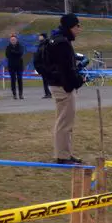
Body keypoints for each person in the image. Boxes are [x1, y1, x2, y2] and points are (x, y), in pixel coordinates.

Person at [43, 13, 84, 164]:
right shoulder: (62, 43)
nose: (79, 29)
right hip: (63, 86)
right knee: (64, 122)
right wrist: (79, 81)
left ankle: (66, 152)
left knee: (66, 121)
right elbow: (67, 70)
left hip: (60, 84)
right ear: (70, 27)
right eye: (76, 26)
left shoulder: (59, 40)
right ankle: (62, 155)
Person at [5, 33, 25, 100]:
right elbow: (7, 55)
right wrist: (14, 53)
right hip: (11, 66)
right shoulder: (8, 47)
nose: (13, 41)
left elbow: (20, 53)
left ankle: (20, 94)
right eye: (12, 40)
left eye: (14, 39)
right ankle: (14, 94)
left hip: (19, 65)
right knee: (13, 80)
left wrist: (13, 52)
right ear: (10, 41)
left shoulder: (20, 46)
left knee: (20, 79)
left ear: (16, 40)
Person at [37, 33, 52, 98]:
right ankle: (47, 93)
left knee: (48, 80)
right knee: (45, 80)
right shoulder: (40, 45)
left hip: (47, 65)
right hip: (42, 65)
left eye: (40, 36)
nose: (39, 37)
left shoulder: (46, 44)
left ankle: (50, 93)